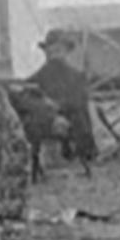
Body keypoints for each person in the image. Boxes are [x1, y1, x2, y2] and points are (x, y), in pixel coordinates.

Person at [28, 29, 96, 172]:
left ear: (66, 52)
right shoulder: (40, 76)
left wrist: (56, 106)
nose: (55, 57)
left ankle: (71, 151)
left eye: (58, 51)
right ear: (46, 54)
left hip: (73, 123)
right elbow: (28, 92)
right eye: (51, 52)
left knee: (77, 117)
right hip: (48, 121)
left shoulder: (76, 77)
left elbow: (79, 104)